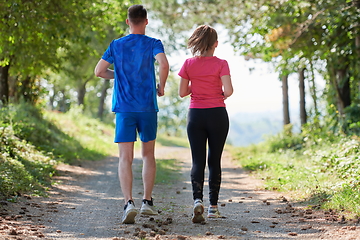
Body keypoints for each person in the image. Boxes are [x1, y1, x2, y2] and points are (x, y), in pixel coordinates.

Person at [94, 4, 169, 224]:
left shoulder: (116, 45)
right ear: (146, 21)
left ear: (128, 22)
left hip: (124, 109)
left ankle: (128, 203)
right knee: (148, 155)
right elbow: (164, 65)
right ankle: (147, 202)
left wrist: (119, 75)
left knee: (125, 158)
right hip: (147, 107)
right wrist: (161, 87)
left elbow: (99, 71)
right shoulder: (154, 43)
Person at [178, 25, 233, 223]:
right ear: (215, 44)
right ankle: (213, 208)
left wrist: (198, 84)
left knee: (197, 161)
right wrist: (213, 86)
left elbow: (183, 92)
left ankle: (197, 201)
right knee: (214, 160)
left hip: (196, 116)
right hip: (218, 114)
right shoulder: (222, 63)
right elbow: (228, 91)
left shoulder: (188, 63)